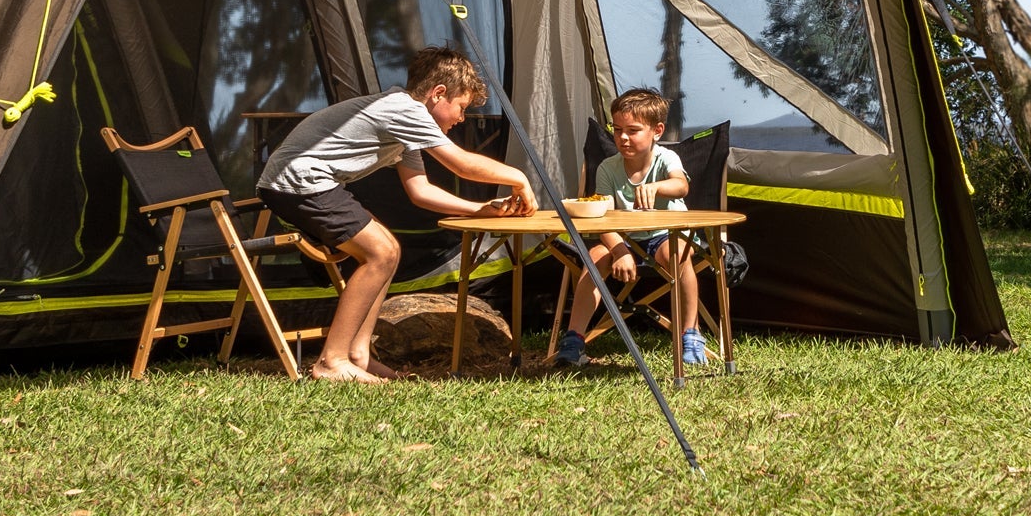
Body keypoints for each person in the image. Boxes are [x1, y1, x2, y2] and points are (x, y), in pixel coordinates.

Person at [258, 46, 535, 383]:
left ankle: (358, 354)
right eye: (461, 108)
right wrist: (518, 177)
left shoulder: (405, 123)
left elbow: (420, 191)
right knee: (381, 251)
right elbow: (460, 164)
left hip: (302, 182)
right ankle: (331, 361)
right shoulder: (405, 110)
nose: (461, 118)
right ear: (438, 94)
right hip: (297, 181)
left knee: (388, 251)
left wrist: (480, 210)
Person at [553, 89, 704, 368]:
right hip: (622, 238)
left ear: (657, 131)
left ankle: (691, 334)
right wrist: (620, 250)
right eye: (617, 129)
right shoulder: (608, 168)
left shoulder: (666, 159)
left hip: (666, 235)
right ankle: (574, 339)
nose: (623, 137)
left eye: (633, 131)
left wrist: (657, 187)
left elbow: (681, 185)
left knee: (677, 254)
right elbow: (602, 218)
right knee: (595, 256)